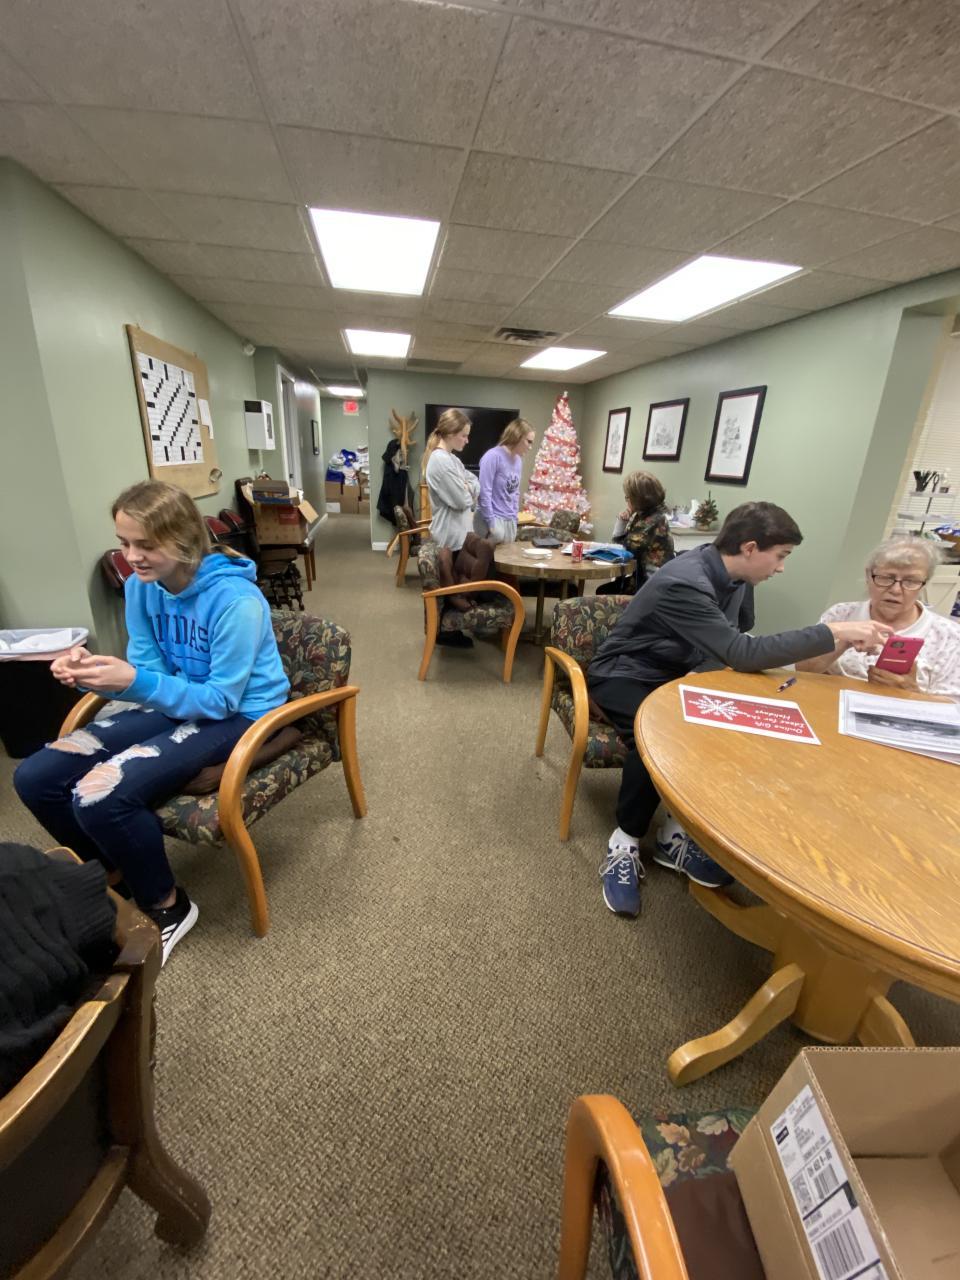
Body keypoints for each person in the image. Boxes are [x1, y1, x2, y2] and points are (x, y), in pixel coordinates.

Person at [14, 480, 290, 965]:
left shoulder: (237, 601)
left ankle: (167, 905)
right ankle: (115, 868)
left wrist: (133, 681)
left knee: (100, 795)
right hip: (180, 703)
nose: (131, 557)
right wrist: (94, 675)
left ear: (183, 541)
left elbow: (221, 699)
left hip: (241, 713)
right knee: (36, 777)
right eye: (123, 543)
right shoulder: (142, 588)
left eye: (145, 544)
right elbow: (149, 671)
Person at [586, 502, 892, 919]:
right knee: (653, 736)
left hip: (676, 672)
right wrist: (831, 632)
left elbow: (739, 630)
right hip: (625, 673)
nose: (781, 568)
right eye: (780, 556)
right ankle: (625, 841)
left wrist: (711, 669)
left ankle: (674, 835)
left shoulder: (738, 577)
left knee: (722, 728)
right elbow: (741, 651)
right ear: (749, 548)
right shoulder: (684, 581)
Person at [797, 537, 960, 696]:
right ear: (869, 576)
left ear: (924, 583)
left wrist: (912, 692)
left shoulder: (949, 636)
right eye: (886, 578)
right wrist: (843, 642)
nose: (895, 590)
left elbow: (954, 707)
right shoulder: (841, 614)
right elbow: (802, 670)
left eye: (911, 581)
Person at [597, 470, 675, 595]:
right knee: (604, 590)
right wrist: (623, 520)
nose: (626, 500)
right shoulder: (649, 515)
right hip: (645, 579)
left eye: (628, 497)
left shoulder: (651, 522)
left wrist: (621, 523)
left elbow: (622, 550)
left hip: (649, 589)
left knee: (603, 592)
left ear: (638, 499)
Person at [423, 408, 480, 553]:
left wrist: (468, 487)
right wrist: (468, 491)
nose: (467, 440)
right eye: (464, 435)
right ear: (450, 433)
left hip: (460, 537)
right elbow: (462, 500)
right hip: (450, 542)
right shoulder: (440, 461)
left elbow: (475, 481)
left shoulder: (453, 459)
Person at [476, 418, 536, 545]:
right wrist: (492, 524)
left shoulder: (518, 460)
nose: (530, 447)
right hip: (492, 520)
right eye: (528, 441)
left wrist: (514, 517)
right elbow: (484, 492)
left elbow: (515, 492)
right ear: (518, 436)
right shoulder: (492, 456)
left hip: (510, 521)